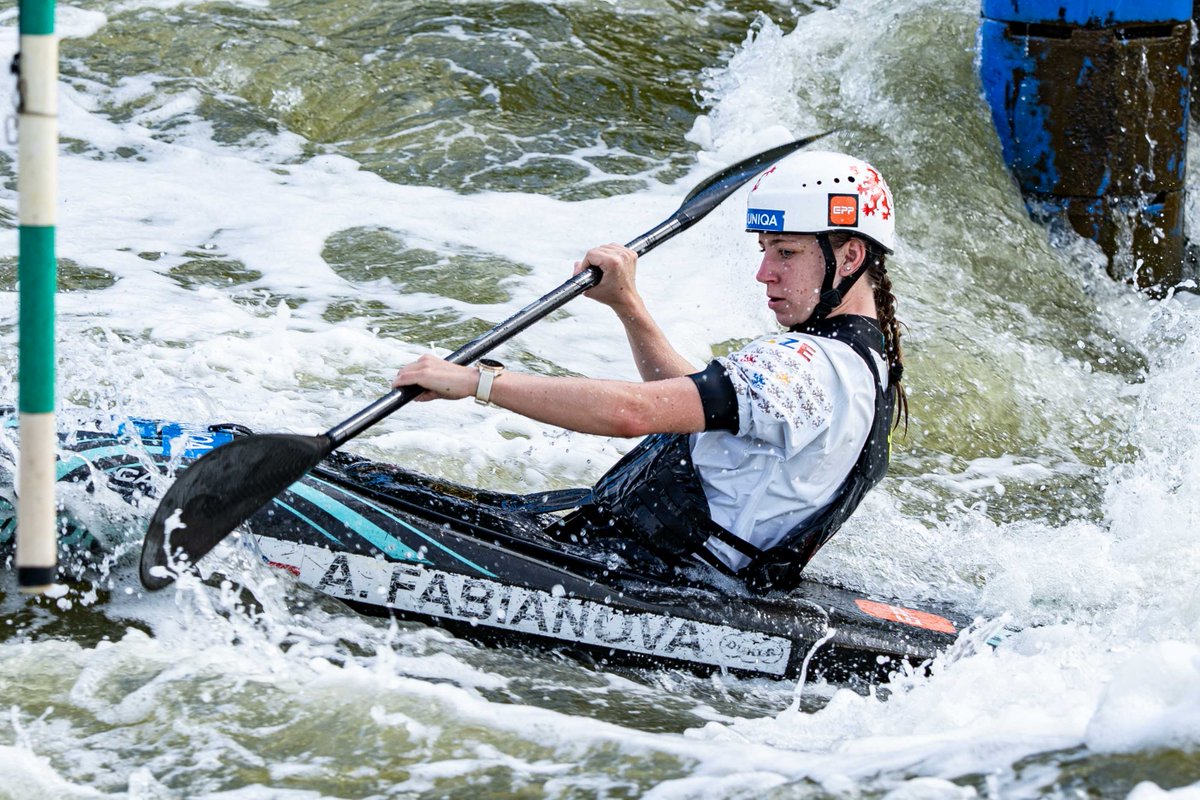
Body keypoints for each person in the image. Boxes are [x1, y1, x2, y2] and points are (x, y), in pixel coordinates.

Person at [392, 149, 907, 591]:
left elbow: (632, 413)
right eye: (765, 251)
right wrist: (627, 305)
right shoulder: (858, 363)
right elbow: (687, 405)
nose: (764, 273)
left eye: (786, 253)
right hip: (660, 568)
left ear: (849, 257)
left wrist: (476, 382)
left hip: (649, 578)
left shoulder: (809, 367)